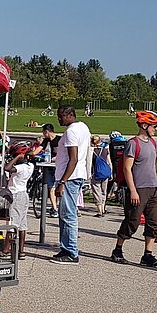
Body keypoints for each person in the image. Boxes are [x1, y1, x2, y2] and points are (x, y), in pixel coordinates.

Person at [111, 110, 157, 269]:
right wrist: (133, 190)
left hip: (154, 188)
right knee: (132, 221)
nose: (156, 129)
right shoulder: (133, 144)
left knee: (154, 222)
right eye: (154, 126)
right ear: (144, 125)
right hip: (138, 189)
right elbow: (127, 169)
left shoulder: (153, 143)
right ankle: (118, 250)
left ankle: (148, 255)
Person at [49, 106, 90, 264]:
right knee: (64, 214)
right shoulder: (83, 127)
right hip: (75, 175)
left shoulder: (72, 131)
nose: (59, 119)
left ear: (70, 115)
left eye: (61, 116)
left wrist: (62, 181)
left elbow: (73, 158)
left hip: (70, 177)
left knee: (68, 215)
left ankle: (72, 252)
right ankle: (65, 247)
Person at [3, 142, 37, 259]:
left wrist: (17, 157)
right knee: (22, 224)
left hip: (16, 195)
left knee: (13, 223)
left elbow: (7, 168)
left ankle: (6, 250)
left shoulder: (21, 167)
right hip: (23, 194)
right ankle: (21, 251)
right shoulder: (30, 166)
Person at [38, 123, 60, 216]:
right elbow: (38, 149)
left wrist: (56, 158)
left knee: (57, 188)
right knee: (51, 188)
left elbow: (64, 153)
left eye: (43, 132)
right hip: (49, 165)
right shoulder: (46, 140)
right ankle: (54, 208)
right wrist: (31, 153)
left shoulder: (59, 140)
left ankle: (57, 207)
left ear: (46, 132)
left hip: (58, 166)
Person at [88, 135, 112, 217]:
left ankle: (99, 210)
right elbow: (109, 162)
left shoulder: (91, 151)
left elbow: (89, 163)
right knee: (103, 191)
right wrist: (110, 172)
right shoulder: (105, 150)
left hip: (96, 173)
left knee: (96, 191)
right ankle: (103, 208)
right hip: (105, 172)